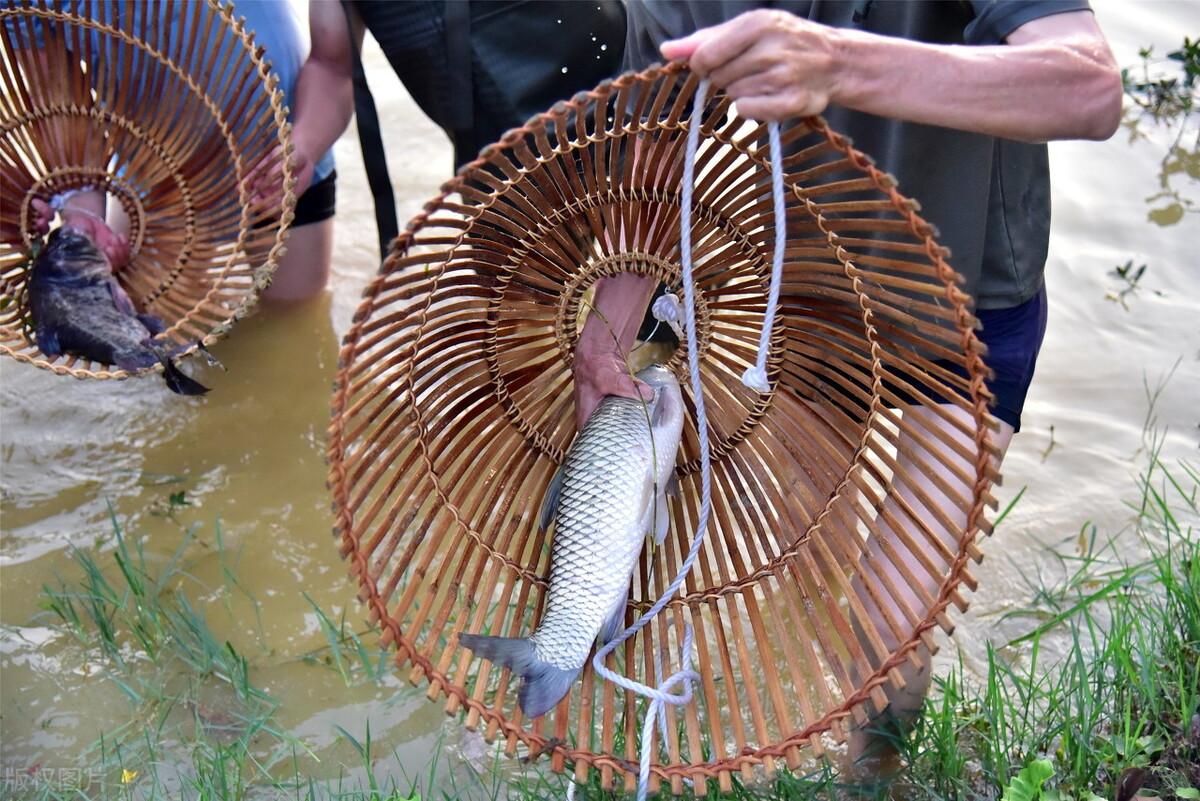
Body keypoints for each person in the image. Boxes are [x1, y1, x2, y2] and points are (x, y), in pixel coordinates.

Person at [572, 0, 1122, 776]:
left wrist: (837, 64)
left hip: (966, 301)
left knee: (885, 625)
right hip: (808, 295)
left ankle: (872, 782)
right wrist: (609, 333)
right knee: (803, 561)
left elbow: (1091, 88)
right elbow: (658, 156)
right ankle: (803, 735)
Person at [29, 1, 351, 304]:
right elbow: (55, 96)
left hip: (280, 167)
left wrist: (306, 142)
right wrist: (82, 207)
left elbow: (334, 62)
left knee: (296, 319)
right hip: (157, 186)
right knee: (155, 347)